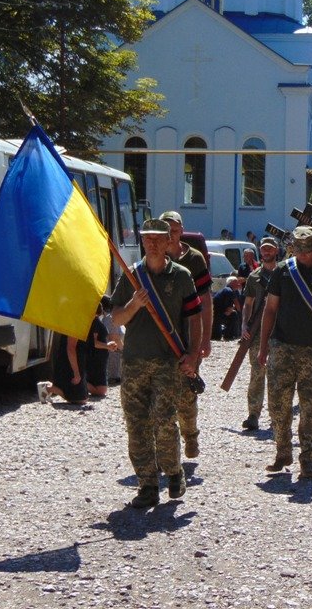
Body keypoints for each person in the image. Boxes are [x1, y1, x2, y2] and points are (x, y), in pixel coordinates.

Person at [111, 218, 202, 509]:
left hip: (167, 362)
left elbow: (194, 319)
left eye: (157, 239)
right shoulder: (132, 276)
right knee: (137, 426)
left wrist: (193, 354)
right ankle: (147, 485)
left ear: (168, 242)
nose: (151, 244)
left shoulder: (182, 276)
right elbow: (116, 318)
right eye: (147, 239)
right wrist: (134, 305)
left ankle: (174, 472)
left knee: (164, 422)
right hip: (135, 361)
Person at [258, 225, 312, 480]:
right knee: (277, 404)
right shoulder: (283, 271)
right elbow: (270, 309)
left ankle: (307, 459)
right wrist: (263, 347)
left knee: (310, 408)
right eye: (300, 252)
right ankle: (283, 451)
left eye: (308, 251)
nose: (304, 256)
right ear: (293, 249)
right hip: (282, 346)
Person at [160, 211, 212, 460]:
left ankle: (190, 435)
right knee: (160, 394)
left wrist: (205, 338)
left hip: (189, 334)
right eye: (166, 229)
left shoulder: (195, 259)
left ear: (181, 230)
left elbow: (206, 300)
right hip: (161, 336)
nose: (170, 234)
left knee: (187, 390)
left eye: (175, 229)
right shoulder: (154, 256)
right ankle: (165, 449)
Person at [239, 235, 279, 431]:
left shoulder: (284, 274)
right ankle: (253, 414)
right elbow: (248, 304)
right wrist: (244, 325)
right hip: (256, 333)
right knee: (257, 373)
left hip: (280, 333)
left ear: (276, 251)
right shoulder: (254, 277)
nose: (266, 252)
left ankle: (277, 415)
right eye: (263, 248)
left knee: (277, 376)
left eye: (270, 248)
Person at [212, 276, 242, 340]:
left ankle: (228, 334)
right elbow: (236, 306)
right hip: (217, 314)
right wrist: (240, 313)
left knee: (233, 314)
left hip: (217, 313)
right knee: (235, 315)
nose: (238, 284)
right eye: (236, 282)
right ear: (231, 283)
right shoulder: (229, 291)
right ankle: (230, 335)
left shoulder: (227, 290)